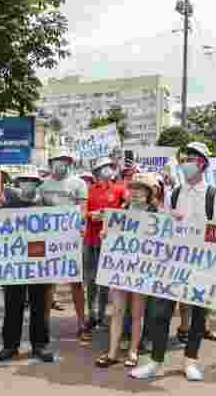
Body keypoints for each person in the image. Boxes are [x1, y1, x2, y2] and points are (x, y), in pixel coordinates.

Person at [130, 142, 216, 382]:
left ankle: (191, 360)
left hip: (202, 265)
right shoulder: (175, 193)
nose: (186, 163)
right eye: (184, 159)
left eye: (192, 159)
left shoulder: (215, 197)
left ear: (203, 164)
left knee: (198, 315)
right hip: (174, 264)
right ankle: (155, 361)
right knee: (161, 312)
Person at [96, 173, 159, 368]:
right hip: (120, 267)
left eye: (140, 188)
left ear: (148, 192)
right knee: (117, 311)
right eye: (133, 188)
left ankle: (133, 350)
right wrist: (105, 234)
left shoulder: (155, 213)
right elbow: (111, 235)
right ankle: (113, 351)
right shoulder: (121, 210)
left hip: (141, 268)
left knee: (137, 313)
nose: (135, 192)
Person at [0, 167, 54, 362]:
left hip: (39, 261)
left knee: (40, 305)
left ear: (37, 184)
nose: (27, 183)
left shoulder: (47, 204)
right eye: (24, 180)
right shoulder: (9, 205)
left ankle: (40, 345)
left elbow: (57, 231)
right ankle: (10, 345)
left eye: (31, 180)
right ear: (18, 183)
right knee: (13, 304)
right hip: (16, 262)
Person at [39, 152, 89, 341]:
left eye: (65, 161)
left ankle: (81, 322)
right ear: (51, 163)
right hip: (49, 239)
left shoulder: (79, 184)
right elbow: (38, 211)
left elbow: (82, 211)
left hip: (71, 238)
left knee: (76, 282)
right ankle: (44, 324)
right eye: (57, 160)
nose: (61, 164)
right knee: (48, 283)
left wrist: (77, 224)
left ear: (70, 163)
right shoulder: (43, 185)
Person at [84, 156, 126, 340]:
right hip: (90, 239)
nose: (107, 169)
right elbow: (82, 211)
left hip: (109, 241)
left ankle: (101, 314)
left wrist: (111, 214)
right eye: (104, 167)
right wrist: (90, 215)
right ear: (97, 172)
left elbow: (127, 207)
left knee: (104, 281)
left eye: (109, 166)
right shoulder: (90, 190)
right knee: (91, 279)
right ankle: (91, 314)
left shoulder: (119, 189)